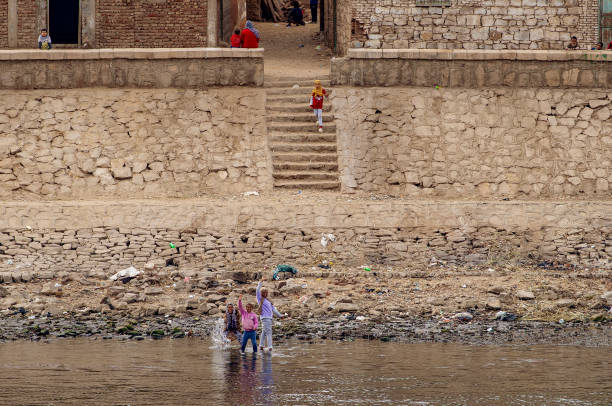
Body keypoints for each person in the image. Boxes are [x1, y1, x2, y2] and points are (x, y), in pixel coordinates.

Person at [256, 276, 286, 352]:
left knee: (264, 332)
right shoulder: (260, 299)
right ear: (261, 293)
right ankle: (270, 347)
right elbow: (257, 290)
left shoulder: (268, 301)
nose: (265, 294)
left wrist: (280, 316)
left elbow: (274, 310)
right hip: (265, 318)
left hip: (268, 318)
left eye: (266, 292)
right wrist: (261, 281)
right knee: (269, 332)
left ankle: (261, 346)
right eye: (264, 293)